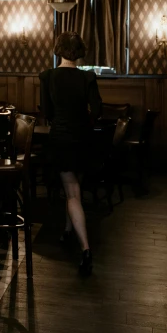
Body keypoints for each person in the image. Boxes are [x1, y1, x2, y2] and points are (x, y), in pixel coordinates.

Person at [39, 31, 102, 275]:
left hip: (62, 138)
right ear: (80, 51)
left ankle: (86, 249)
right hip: (84, 138)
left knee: (72, 193)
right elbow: (96, 111)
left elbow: (46, 111)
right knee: (75, 188)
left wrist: (62, 120)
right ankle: (68, 231)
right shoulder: (88, 77)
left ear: (58, 50)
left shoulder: (48, 76)